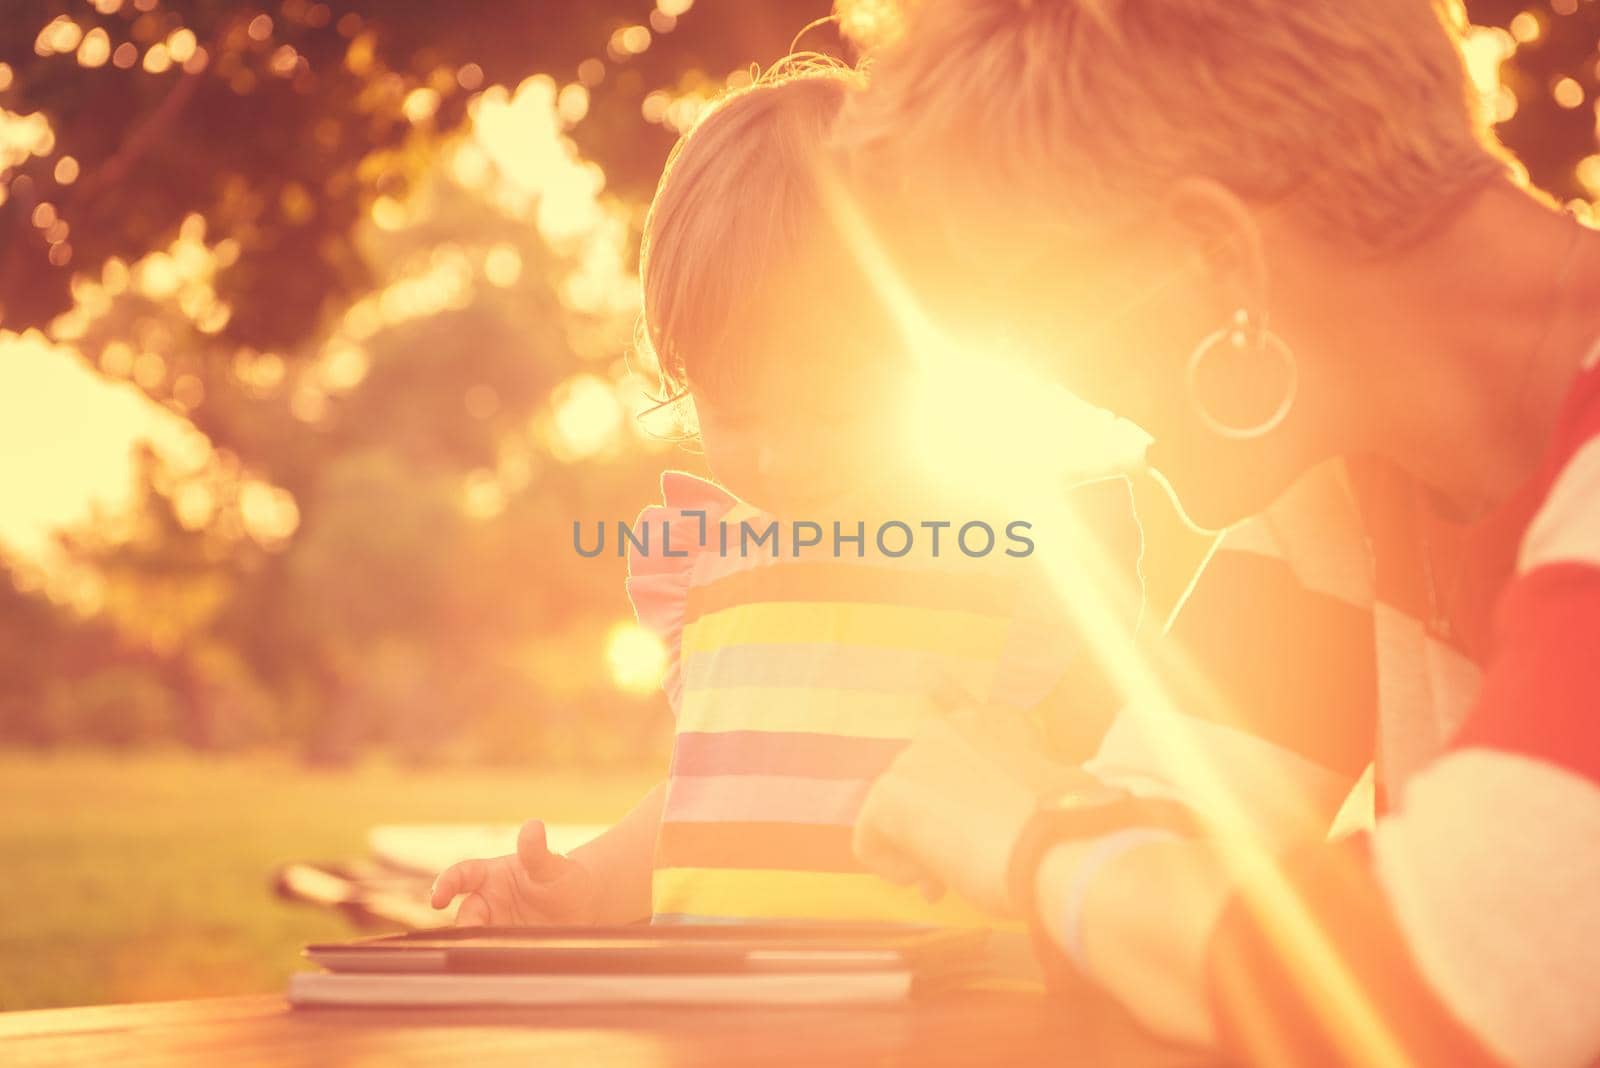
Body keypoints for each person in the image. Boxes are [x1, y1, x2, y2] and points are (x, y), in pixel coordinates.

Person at [839, 1, 1600, 1065]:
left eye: (1035, 321)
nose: (1064, 399)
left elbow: (1434, 988)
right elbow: (1155, 858)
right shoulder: (1344, 473)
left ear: (1217, 258)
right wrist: (1094, 862)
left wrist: (1034, 842)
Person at [430, 60, 1138, 931]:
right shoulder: (707, 563)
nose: (781, 452)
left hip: (932, 1027)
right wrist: (581, 885)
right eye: (735, 409)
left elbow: (1104, 796)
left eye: (829, 408)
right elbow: (712, 801)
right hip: (717, 1026)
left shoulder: (1012, 558)